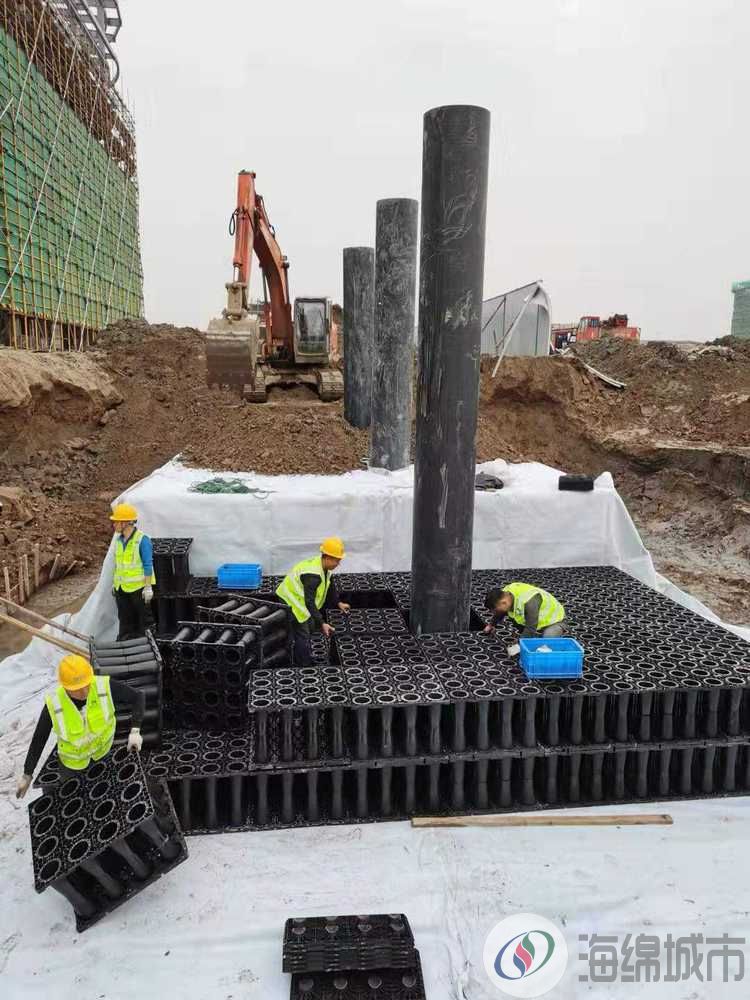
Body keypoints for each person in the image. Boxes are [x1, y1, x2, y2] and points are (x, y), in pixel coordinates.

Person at [16, 654, 145, 799]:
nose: (84, 692)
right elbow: (39, 739)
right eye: (77, 689)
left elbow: (138, 697)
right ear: (65, 687)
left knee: (103, 793)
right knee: (75, 798)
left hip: (103, 754)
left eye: (86, 684)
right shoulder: (54, 705)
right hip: (72, 766)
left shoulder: (103, 686)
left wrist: (135, 730)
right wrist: (27, 774)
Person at [276, 537, 350, 666]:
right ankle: (304, 666)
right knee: (303, 632)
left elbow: (329, 584)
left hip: (300, 599)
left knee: (309, 626)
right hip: (292, 600)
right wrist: (322, 623)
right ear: (327, 557)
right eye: (337, 561)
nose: (338, 564)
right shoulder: (313, 576)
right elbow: (309, 602)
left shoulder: (323, 566)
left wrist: (338, 602)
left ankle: (299, 653)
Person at [110, 502, 155, 641]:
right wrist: (115, 584)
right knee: (125, 620)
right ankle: (124, 644)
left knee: (144, 621)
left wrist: (148, 587)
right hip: (121, 588)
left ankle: (148, 646)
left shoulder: (142, 540)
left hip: (138, 589)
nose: (113, 525)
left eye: (116, 521)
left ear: (125, 523)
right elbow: (119, 565)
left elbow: (148, 565)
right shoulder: (118, 541)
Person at [484, 582, 566, 657]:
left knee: (547, 638)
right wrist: (492, 624)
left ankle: (542, 642)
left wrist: (519, 645)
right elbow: (500, 612)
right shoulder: (505, 593)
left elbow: (531, 627)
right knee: (512, 616)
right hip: (533, 618)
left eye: (496, 610)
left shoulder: (528, 602)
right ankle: (530, 639)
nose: (495, 612)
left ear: (504, 602)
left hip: (554, 620)